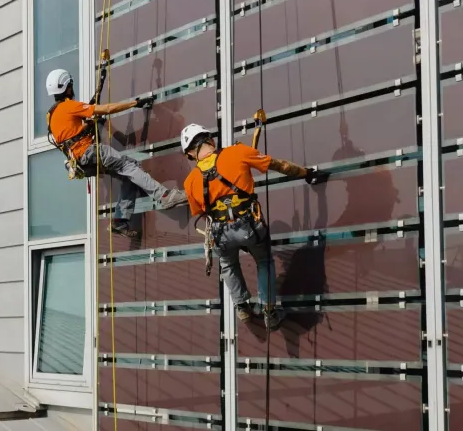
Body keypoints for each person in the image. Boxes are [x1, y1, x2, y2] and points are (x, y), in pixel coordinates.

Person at [179, 123, 329, 328]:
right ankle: (269, 311)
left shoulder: (190, 182)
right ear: (210, 140)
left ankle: (242, 306)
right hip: (248, 225)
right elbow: (281, 166)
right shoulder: (238, 152)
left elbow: (202, 213)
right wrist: (307, 173)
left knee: (228, 264)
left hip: (219, 232)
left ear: (190, 154)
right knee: (264, 260)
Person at [46, 69, 189, 238]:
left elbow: (71, 134)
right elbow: (106, 109)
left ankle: (120, 220)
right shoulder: (69, 106)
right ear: (67, 87)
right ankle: (164, 196)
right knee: (131, 166)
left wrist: (92, 126)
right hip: (90, 152)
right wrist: (135, 103)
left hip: (80, 162)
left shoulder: (51, 116)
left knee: (128, 175)